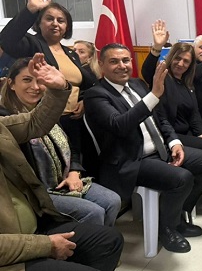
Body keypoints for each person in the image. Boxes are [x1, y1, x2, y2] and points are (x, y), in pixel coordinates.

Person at [0, 53, 123, 271]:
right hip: (9, 263)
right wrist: (45, 245)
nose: (34, 87)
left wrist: (58, 89)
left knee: (108, 241)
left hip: (32, 229)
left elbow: (35, 124)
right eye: (26, 80)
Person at [84, 43, 202, 253]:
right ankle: (167, 229)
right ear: (101, 64)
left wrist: (174, 143)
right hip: (132, 159)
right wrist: (153, 95)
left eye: (125, 60)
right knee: (182, 178)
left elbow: (161, 119)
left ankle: (177, 212)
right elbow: (120, 125)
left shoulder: (137, 84)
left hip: (161, 150)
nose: (122, 66)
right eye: (114, 61)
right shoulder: (96, 94)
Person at [0, 58, 121, 226]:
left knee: (113, 201)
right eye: (27, 80)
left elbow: (71, 147)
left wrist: (74, 172)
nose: (35, 87)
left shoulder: (47, 109)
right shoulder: (5, 117)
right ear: (11, 84)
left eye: (40, 81)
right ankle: (85, 241)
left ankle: (101, 240)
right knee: (94, 212)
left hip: (63, 181)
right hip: (37, 191)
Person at [142, 23, 202, 216]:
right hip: (169, 135)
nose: (181, 64)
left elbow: (194, 113)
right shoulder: (163, 77)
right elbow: (148, 71)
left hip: (186, 131)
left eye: (186, 62)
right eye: (177, 59)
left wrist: (199, 133)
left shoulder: (186, 82)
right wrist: (156, 48)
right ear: (171, 58)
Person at [0, 0, 97, 162]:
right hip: (48, 120)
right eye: (49, 19)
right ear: (39, 23)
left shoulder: (71, 53)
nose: (55, 23)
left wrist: (83, 100)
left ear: (67, 26)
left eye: (61, 20)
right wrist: (30, 11)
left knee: (83, 164)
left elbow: (84, 83)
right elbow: (7, 40)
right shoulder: (32, 45)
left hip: (75, 119)